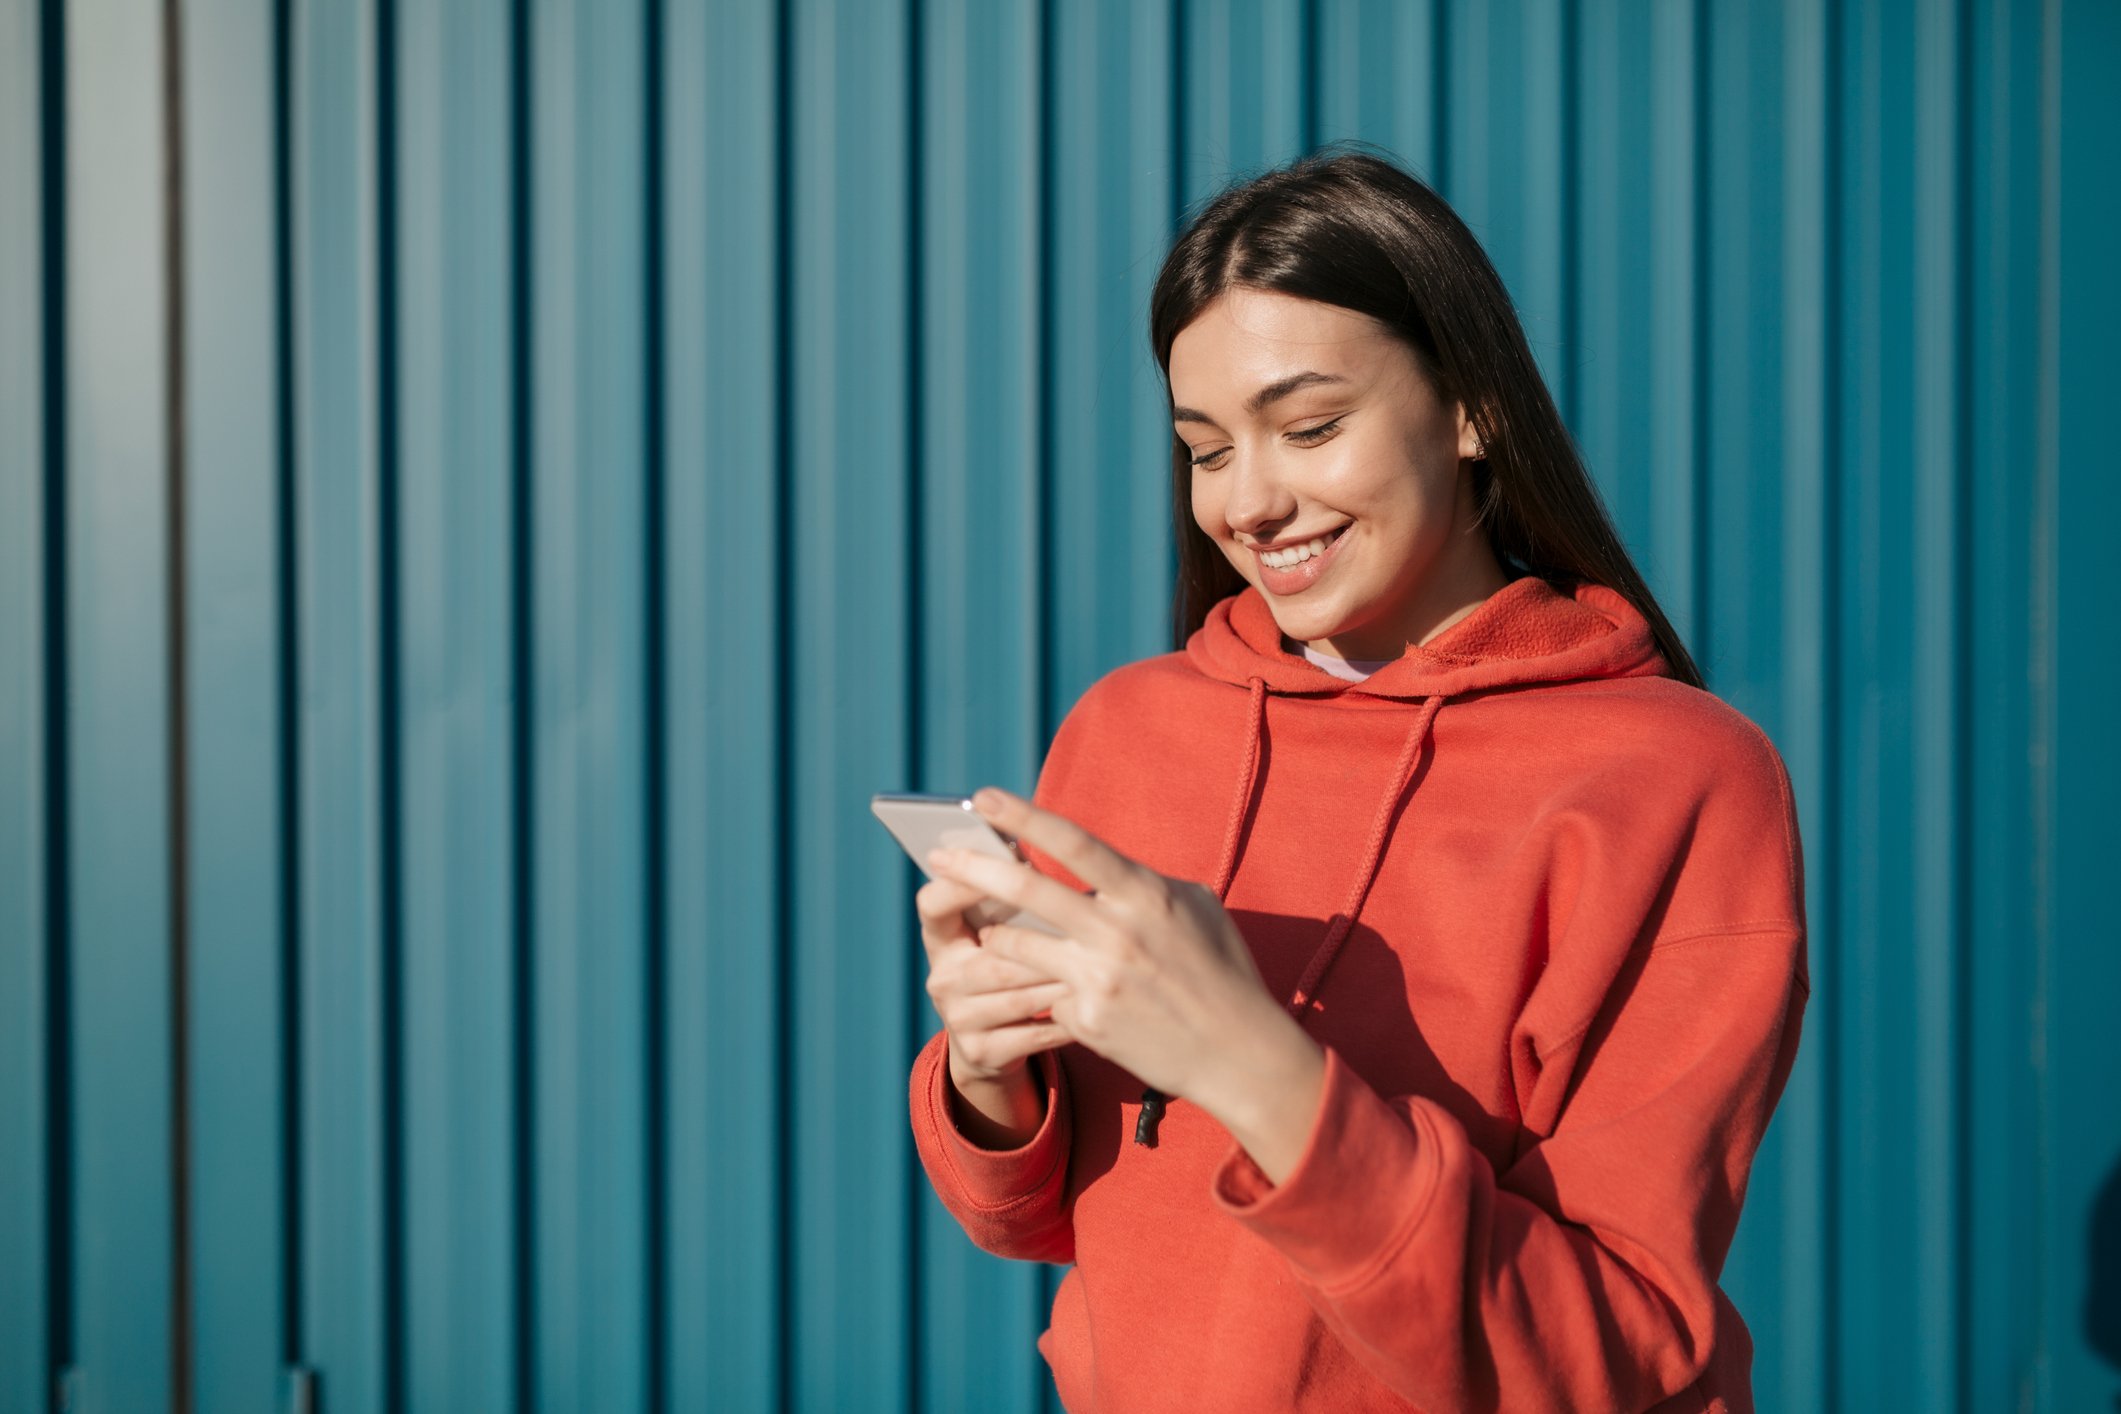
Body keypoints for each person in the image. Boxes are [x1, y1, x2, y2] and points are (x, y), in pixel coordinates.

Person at [906, 143, 1809, 1413]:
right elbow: (1049, 1221)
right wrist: (988, 1073)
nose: (1248, 502)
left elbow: (1607, 1350)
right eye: (1206, 448)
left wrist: (1252, 1064)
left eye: (1311, 427)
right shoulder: (1128, 728)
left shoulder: (1675, 778)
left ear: (1470, 405)